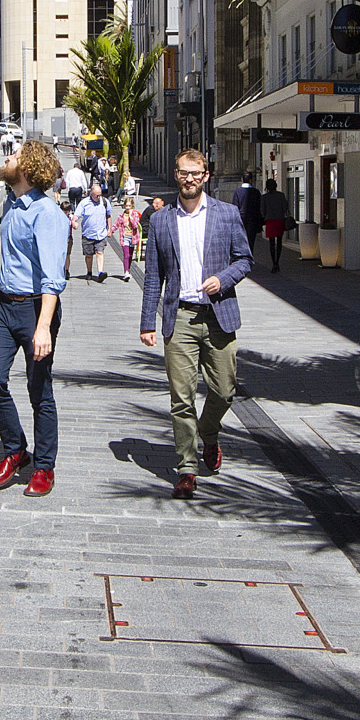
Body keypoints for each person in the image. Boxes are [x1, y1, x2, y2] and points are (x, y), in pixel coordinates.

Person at [139, 150, 253, 499]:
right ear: (176, 175)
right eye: (183, 173)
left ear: (206, 176)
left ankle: (209, 431)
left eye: (196, 173)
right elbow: (153, 275)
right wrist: (147, 322)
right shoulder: (161, 220)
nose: (189, 179)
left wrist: (224, 278)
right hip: (181, 317)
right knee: (181, 397)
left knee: (224, 390)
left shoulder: (227, 214)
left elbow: (245, 259)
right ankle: (187, 468)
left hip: (218, 313)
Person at [0, 140, 70, 497]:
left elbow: (52, 278)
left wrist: (44, 327)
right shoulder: (11, 203)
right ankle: (16, 449)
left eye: (15, 155)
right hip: (3, 306)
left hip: (36, 309)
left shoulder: (47, 215)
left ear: (28, 168)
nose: (8, 157)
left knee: (39, 391)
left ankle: (44, 466)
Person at [74, 186, 112, 282]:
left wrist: (109, 229)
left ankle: (100, 273)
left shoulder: (104, 202)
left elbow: (108, 215)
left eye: (100, 195)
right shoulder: (84, 203)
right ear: (91, 194)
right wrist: (74, 222)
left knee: (100, 252)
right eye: (96, 195)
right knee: (89, 255)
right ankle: (89, 271)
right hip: (88, 234)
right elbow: (76, 215)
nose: (98, 197)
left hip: (101, 233)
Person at [260, 177, 292, 272]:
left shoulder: (264, 197)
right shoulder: (281, 195)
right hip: (279, 220)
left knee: (271, 242)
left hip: (270, 220)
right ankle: (277, 261)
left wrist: (265, 216)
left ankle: (274, 262)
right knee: (279, 241)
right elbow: (285, 207)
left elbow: (262, 210)